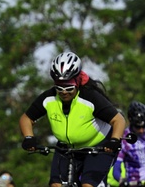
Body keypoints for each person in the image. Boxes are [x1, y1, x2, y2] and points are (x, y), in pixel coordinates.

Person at [19, 52, 126, 187]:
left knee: (88, 185)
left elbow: (118, 120)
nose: (64, 91)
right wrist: (29, 137)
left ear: (77, 81)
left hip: (98, 146)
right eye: (59, 87)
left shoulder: (90, 97)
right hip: (66, 147)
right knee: (56, 185)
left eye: (69, 87)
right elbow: (26, 118)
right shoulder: (49, 98)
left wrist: (114, 141)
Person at [113, 101, 145, 185]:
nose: (142, 130)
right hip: (135, 182)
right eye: (138, 127)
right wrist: (122, 181)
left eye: (143, 127)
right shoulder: (124, 139)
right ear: (131, 121)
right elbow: (116, 169)